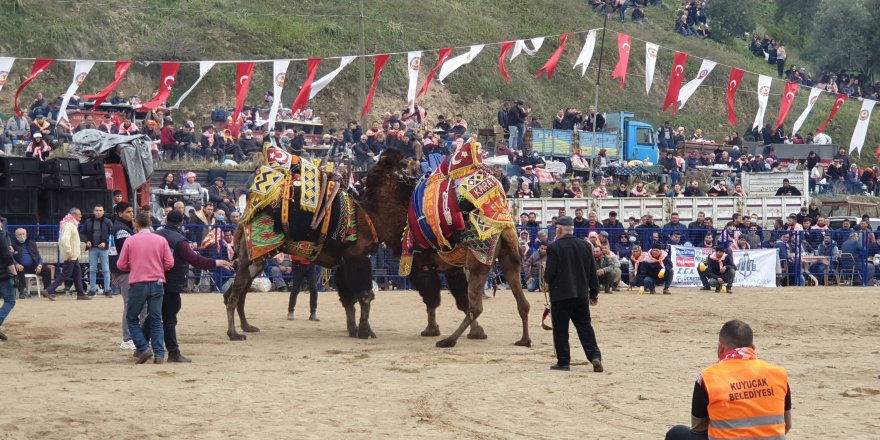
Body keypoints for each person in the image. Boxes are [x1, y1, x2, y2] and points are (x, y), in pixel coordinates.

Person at [665, 320, 792, 440]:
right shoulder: (778, 374)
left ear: (720, 348)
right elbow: (787, 426)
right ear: (753, 347)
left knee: (676, 433)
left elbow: (699, 429)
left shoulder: (707, 377)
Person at [155, 211, 233, 362]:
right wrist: (216, 262)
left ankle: (142, 346)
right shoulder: (179, 240)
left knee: (154, 315)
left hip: (153, 280)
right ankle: (173, 352)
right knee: (170, 317)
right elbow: (195, 260)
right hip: (171, 282)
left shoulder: (157, 235)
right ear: (181, 222)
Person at [542, 216, 603, 373]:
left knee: (561, 329)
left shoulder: (554, 247)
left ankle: (563, 362)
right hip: (581, 295)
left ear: (560, 230)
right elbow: (592, 273)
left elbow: (549, 275)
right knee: (585, 327)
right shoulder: (585, 246)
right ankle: (595, 356)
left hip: (561, 296)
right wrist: (594, 294)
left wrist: (545, 276)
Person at [116, 212, 174, 364]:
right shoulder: (160, 240)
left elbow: (121, 264)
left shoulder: (130, 240)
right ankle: (159, 354)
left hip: (137, 283)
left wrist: (133, 266)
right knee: (155, 319)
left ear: (136, 224)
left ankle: (142, 348)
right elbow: (169, 263)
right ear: (150, 223)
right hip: (157, 281)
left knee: (132, 318)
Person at [110, 202, 143, 350]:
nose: (131, 214)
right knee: (129, 304)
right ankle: (127, 338)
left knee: (132, 304)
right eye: (128, 212)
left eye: (132, 212)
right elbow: (125, 254)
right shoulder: (122, 230)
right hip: (126, 271)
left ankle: (131, 337)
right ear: (120, 213)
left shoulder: (123, 228)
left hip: (126, 270)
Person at [45, 209, 89, 301]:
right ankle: (49, 290)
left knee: (77, 273)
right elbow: (65, 239)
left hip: (73, 254)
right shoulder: (69, 225)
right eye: (79, 214)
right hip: (71, 254)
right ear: (73, 214)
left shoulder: (70, 224)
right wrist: (68, 252)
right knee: (66, 273)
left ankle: (80, 293)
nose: (81, 216)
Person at [80, 204, 114, 296]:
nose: (98, 212)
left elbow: (112, 234)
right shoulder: (88, 221)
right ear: (93, 211)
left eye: (100, 210)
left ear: (103, 212)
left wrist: (105, 243)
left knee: (106, 269)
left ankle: (107, 290)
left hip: (104, 249)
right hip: (92, 248)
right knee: (92, 269)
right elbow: (82, 233)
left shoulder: (108, 222)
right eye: (96, 210)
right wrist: (86, 241)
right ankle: (92, 289)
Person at [11, 228, 50, 299]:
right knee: (19, 269)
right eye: (20, 234)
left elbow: (39, 257)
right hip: (21, 267)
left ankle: (47, 291)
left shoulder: (32, 243)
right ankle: (22, 292)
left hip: (33, 267)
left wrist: (40, 265)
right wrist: (16, 264)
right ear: (16, 235)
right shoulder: (12, 245)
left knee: (47, 270)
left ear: (26, 235)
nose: (22, 236)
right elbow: (10, 257)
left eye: (23, 234)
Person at [287, 257, 320, 321]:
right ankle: (291, 311)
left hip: (311, 264)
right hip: (297, 264)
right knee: (296, 289)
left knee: (314, 288)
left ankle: (313, 313)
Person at [0, 228, 18, 341]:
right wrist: (15, 274)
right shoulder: (1, 236)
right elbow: (7, 256)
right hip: (2, 274)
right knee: (10, 300)